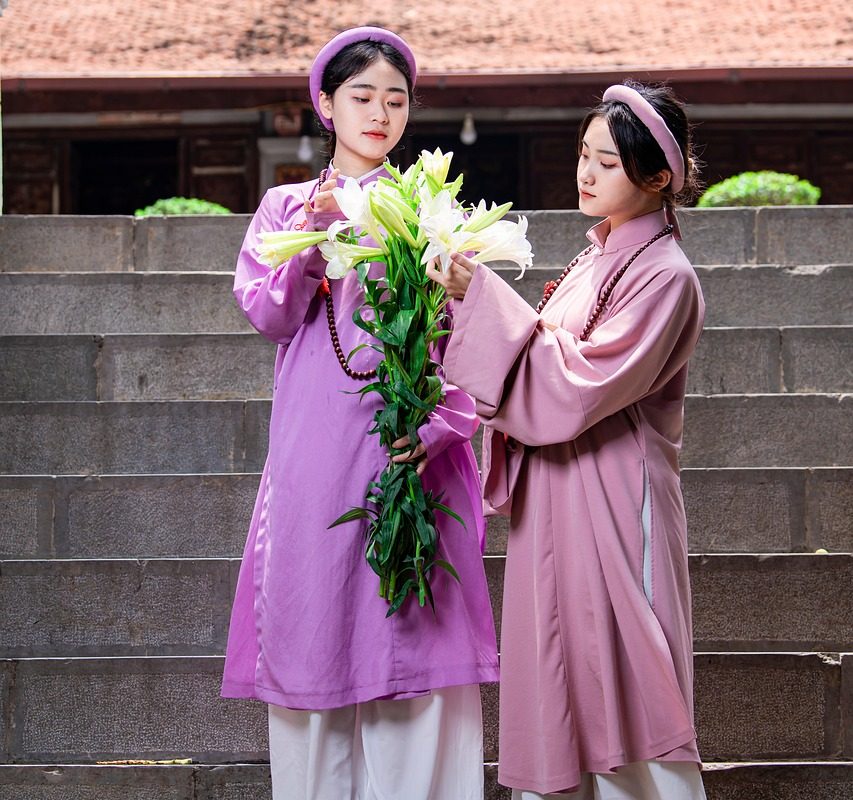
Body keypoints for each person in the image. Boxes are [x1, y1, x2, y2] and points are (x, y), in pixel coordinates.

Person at [221, 27, 499, 800]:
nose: (380, 114)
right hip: (317, 447)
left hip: (412, 447)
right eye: (362, 96)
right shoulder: (284, 207)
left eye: (395, 100)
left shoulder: (430, 210)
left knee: (412, 631)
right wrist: (314, 236)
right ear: (325, 105)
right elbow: (270, 316)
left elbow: (465, 340)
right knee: (316, 623)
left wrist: (442, 423)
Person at [427, 81, 708, 799]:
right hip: (554, 484)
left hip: (614, 495)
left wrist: (483, 296)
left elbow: (580, 380)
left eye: (608, 162)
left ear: (658, 176)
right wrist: (464, 303)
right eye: (584, 154)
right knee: (554, 664)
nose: (586, 173)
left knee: (623, 668)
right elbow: (537, 352)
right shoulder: (594, 259)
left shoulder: (667, 277)